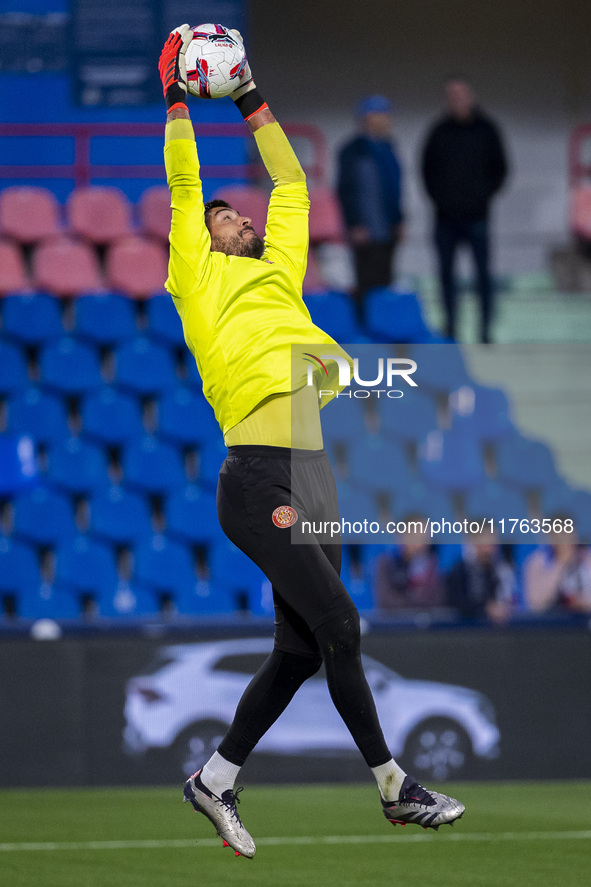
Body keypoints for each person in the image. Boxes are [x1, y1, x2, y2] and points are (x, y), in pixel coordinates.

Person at [158, 26, 464, 859]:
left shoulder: (276, 267)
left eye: (237, 210)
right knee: (340, 620)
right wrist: (178, 100)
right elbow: (184, 184)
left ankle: (214, 778)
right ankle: (394, 786)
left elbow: (289, 177)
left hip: (311, 471)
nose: (235, 215)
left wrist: (253, 98)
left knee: (298, 650)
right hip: (257, 477)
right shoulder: (198, 274)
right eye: (223, 215)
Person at [421, 78, 508, 343]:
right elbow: (426, 171)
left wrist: (483, 197)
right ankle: (450, 329)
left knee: (483, 275)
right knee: (447, 276)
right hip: (445, 219)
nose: (457, 100)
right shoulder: (438, 131)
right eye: (451, 96)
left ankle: (485, 331)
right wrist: (440, 200)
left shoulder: (487, 129)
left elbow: (501, 168)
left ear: (470, 96)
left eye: (461, 95)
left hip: (477, 217)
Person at [336, 95, 404, 314]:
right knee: (366, 281)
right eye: (379, 115)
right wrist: (355, 224)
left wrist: (399, 220)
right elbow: (345, 191)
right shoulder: (351, 151)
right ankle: (364, 332)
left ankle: (384, 328)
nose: (385, 120)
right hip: (364, 231)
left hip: (387, 230)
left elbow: (395, 188)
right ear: (367, 118)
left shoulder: (388, 149)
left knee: (385, 281)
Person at [446, 533, 515, 623]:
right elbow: (458, 604)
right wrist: (486, 608)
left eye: (494, 543)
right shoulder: (460, 571)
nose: (491, 549)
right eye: (487, 543)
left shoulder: (498, 571)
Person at [524, 541, 591, 614]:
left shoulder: (587, 558)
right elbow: (536, 603)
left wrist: (579, 601)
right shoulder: (537, 561)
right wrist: (561, 562)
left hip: (583, 621)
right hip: (551, 622)